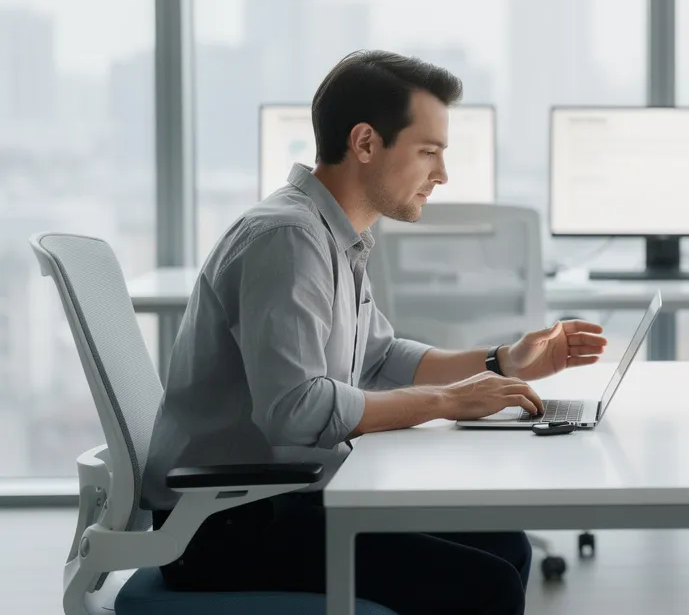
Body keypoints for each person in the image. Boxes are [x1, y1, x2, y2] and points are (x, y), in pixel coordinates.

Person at [142, 50, 607, 615]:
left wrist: (503, 361)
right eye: (428, 152)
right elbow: (295, 408)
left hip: (281, 500)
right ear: (365, 144)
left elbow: (382, 357)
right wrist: (445, 401)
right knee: (484, 584)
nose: (442, 174)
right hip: (224, 526)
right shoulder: (287, 238)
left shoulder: (334, 233)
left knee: (505, 547)